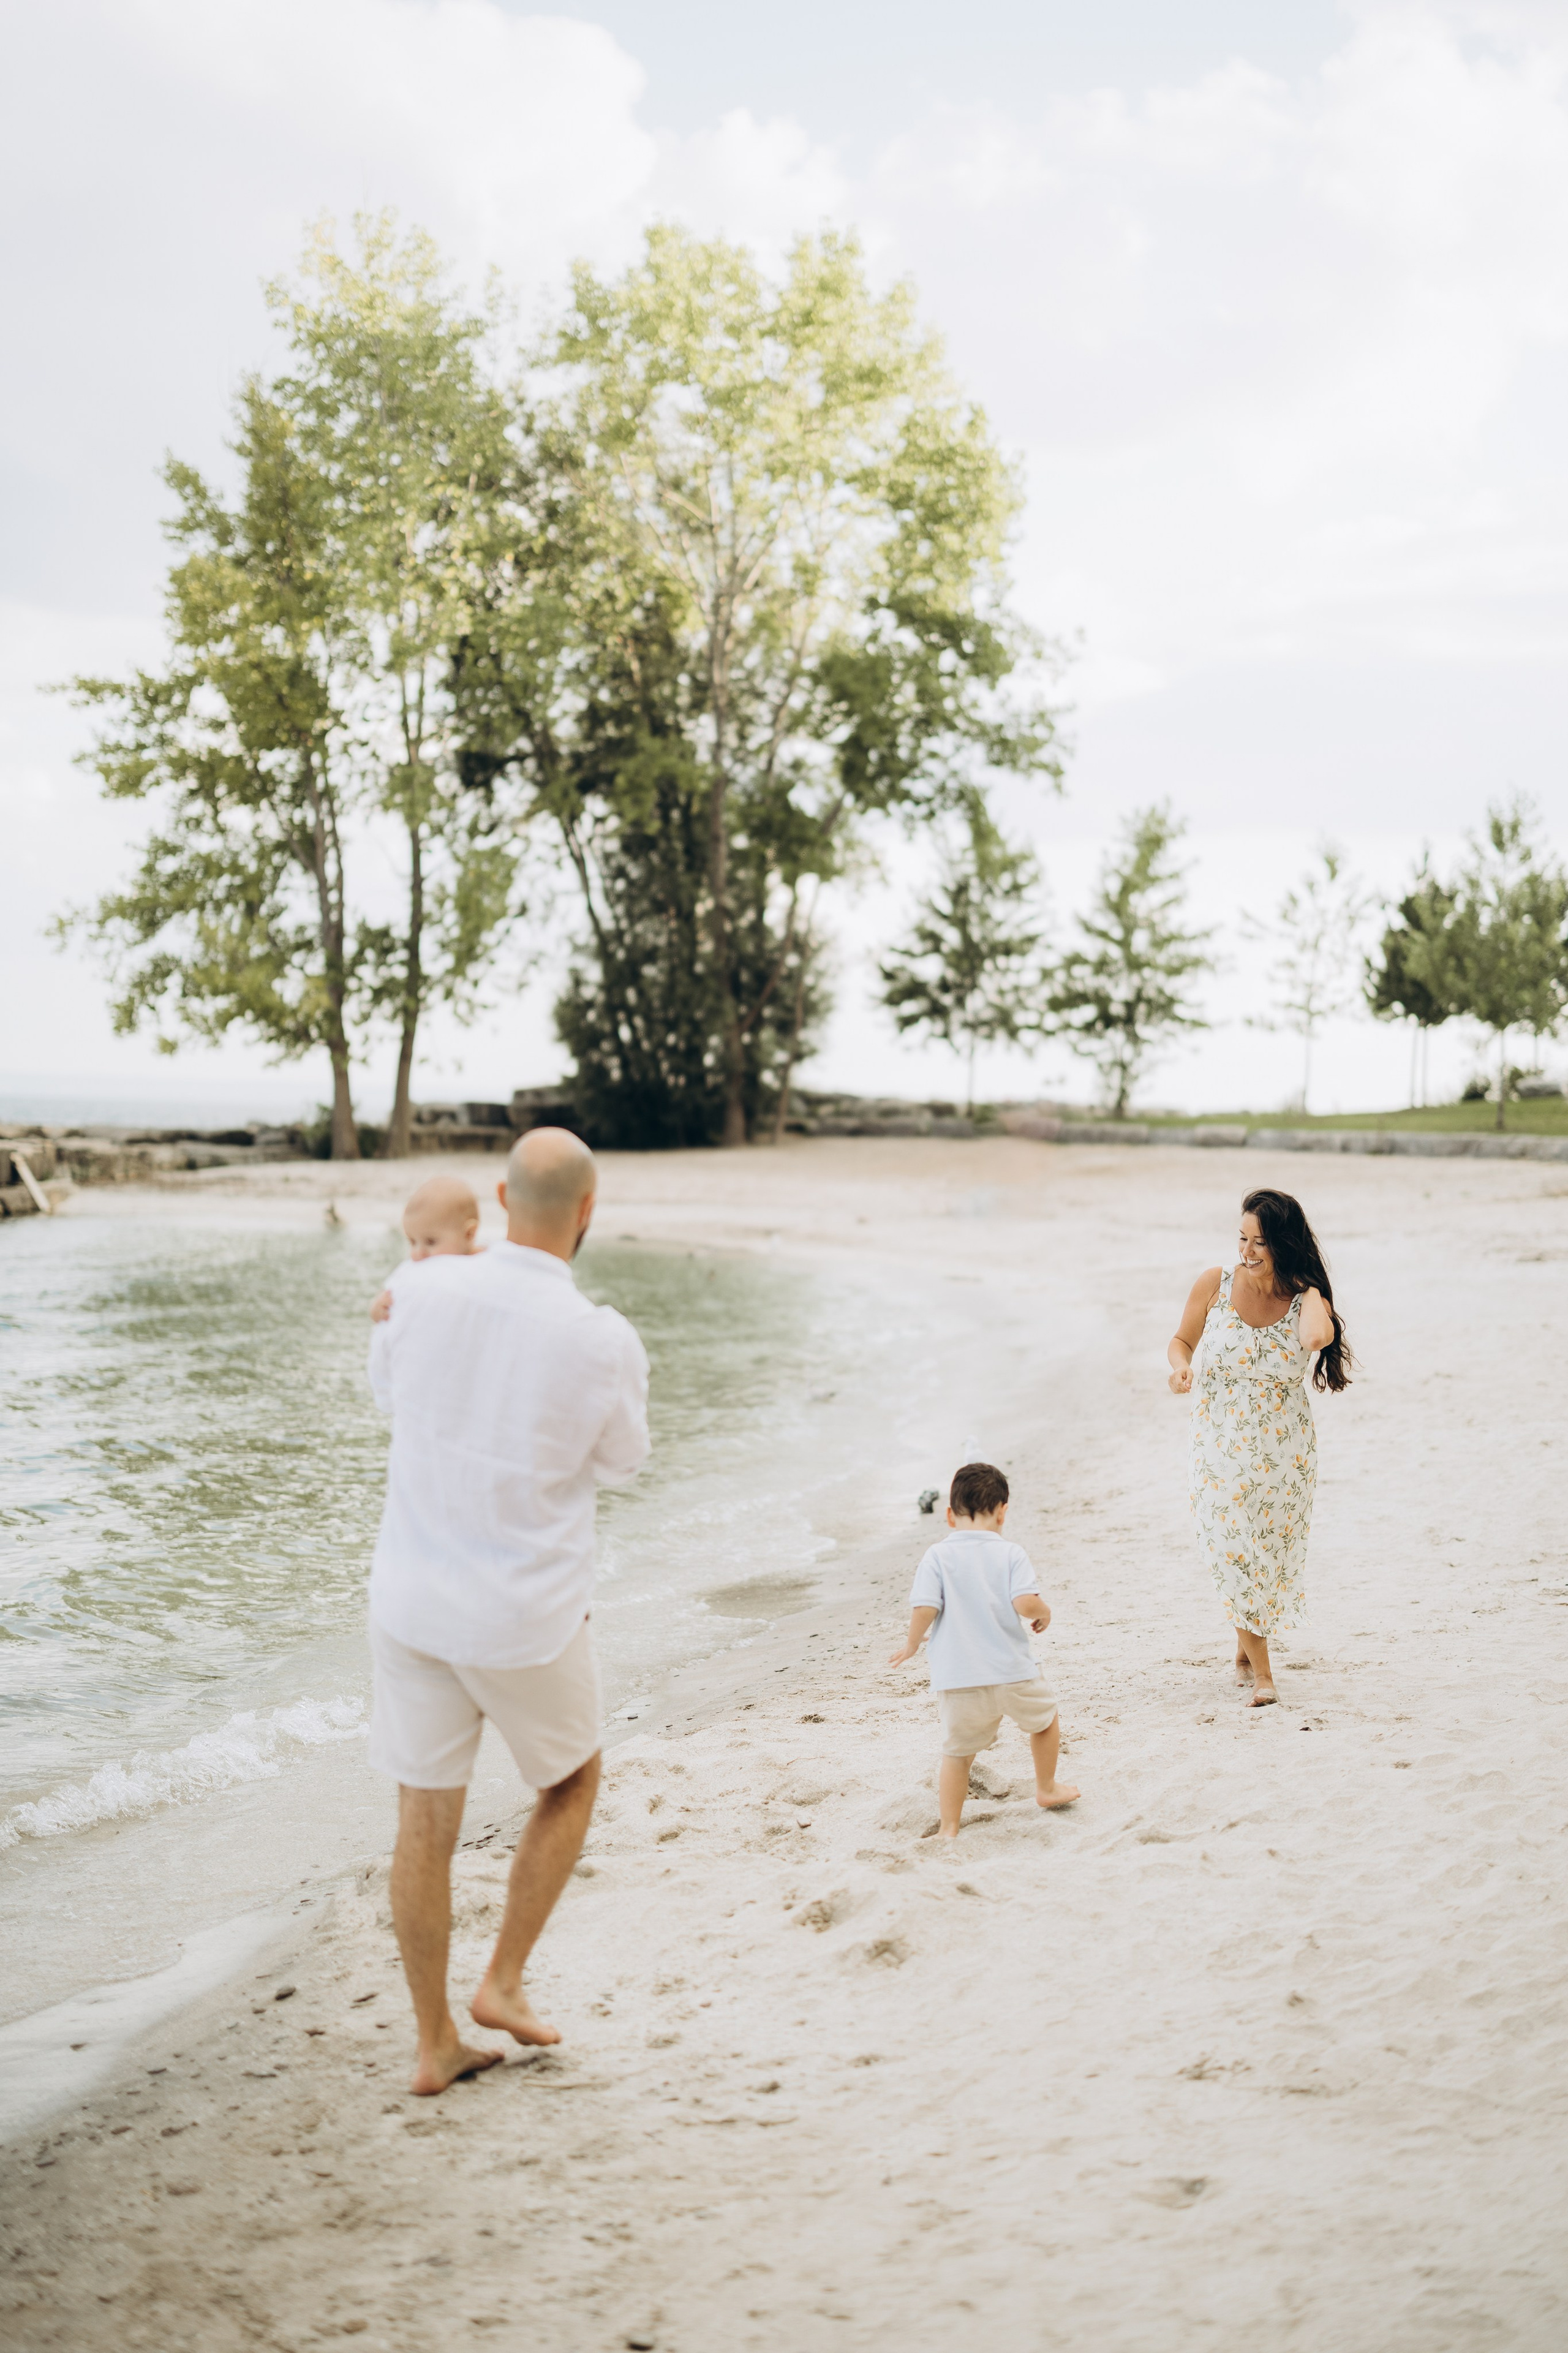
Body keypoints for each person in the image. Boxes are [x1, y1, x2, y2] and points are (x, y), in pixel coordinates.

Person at [366, 1128, 649, 2094]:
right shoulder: (601, 1338)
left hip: (411, 1602)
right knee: (571, 1780)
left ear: (499, 1197)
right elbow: (623, 1464)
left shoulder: (418, 1288)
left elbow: (386, 1390)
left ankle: (434, 2041)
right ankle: (505, 1980)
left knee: (423, 1818)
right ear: (588, 1210)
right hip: (525, 1613)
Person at [1167, 1188, 1349, 1707]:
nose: (1246, 1251)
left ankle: (1245, 1646)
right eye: (1242, 1238)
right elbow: (1181, 1341)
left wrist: (1310, 1292)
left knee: (1266, 1556)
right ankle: (1264, 1676)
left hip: (1283, 1455)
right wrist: (1180, 1368)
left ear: (1284, 1244)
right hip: (1217, 1445)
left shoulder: (1306, 1300)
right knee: (1232, 1548)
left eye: (1260, 1242)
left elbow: (1314, 1340)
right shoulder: (1214, 1283)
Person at [888, 1462, 1079, 1838]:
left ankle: (949, 1827)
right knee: (1044, 1721)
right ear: (1002, 1512)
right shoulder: (1010, 1553)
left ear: (949, 1515)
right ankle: (1046, 1787)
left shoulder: (937, 1556)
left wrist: (911, 1644)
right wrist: (1044, 1612)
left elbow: (925, 1607)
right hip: (1013, 1672)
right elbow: (1025, 1602)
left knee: (957, 1754)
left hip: (959, 1679)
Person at [369, 1174, 482, 1324]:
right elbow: (391, 1291)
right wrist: (378, 1306)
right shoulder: (413, 1270)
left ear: (469, 1234)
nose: (418, 1253)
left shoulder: (485, 1263)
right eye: (412, 1242)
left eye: (431, 1242)